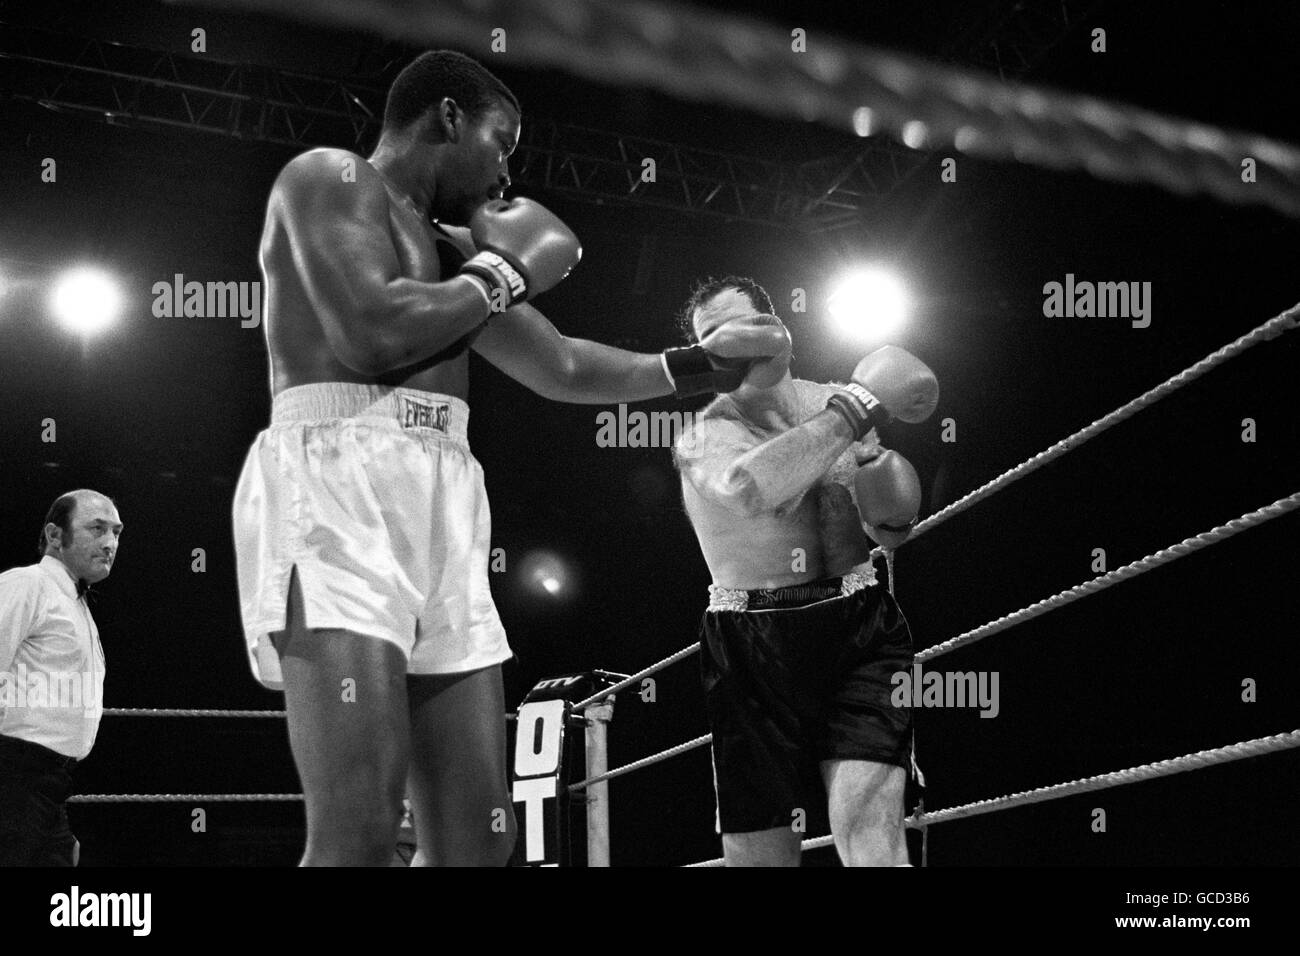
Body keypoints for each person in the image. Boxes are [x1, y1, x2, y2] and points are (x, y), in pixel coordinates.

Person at [233, 51, 789, 866]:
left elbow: (560, 365)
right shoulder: (330, 178)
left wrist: (704, 363)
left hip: (444, 492)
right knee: (358, 833)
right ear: (449, 116)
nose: (506, 173)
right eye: (503, 142)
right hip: (337, 481)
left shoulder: (446, 247)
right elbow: (373, 332)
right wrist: (503, 269)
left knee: (475, 843)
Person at [672, 276, 938, 866]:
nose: (723, 346)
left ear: (775, 332)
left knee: (872, 835)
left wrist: (882, 480)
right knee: (763, 855)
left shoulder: (836, 402)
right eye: (708, 338)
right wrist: (858, 409)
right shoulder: (702, 439)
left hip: (859, 627)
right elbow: (752, 488)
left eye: (735, 328)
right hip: (751, 645)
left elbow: (891, 527)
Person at [0, 490, 121, 866]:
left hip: (48, 786)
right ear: (55, 535)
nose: (109, 543)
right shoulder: (28, 584)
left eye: (116, 532)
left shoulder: (75, 601)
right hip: (14, 775)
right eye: (96, 529)